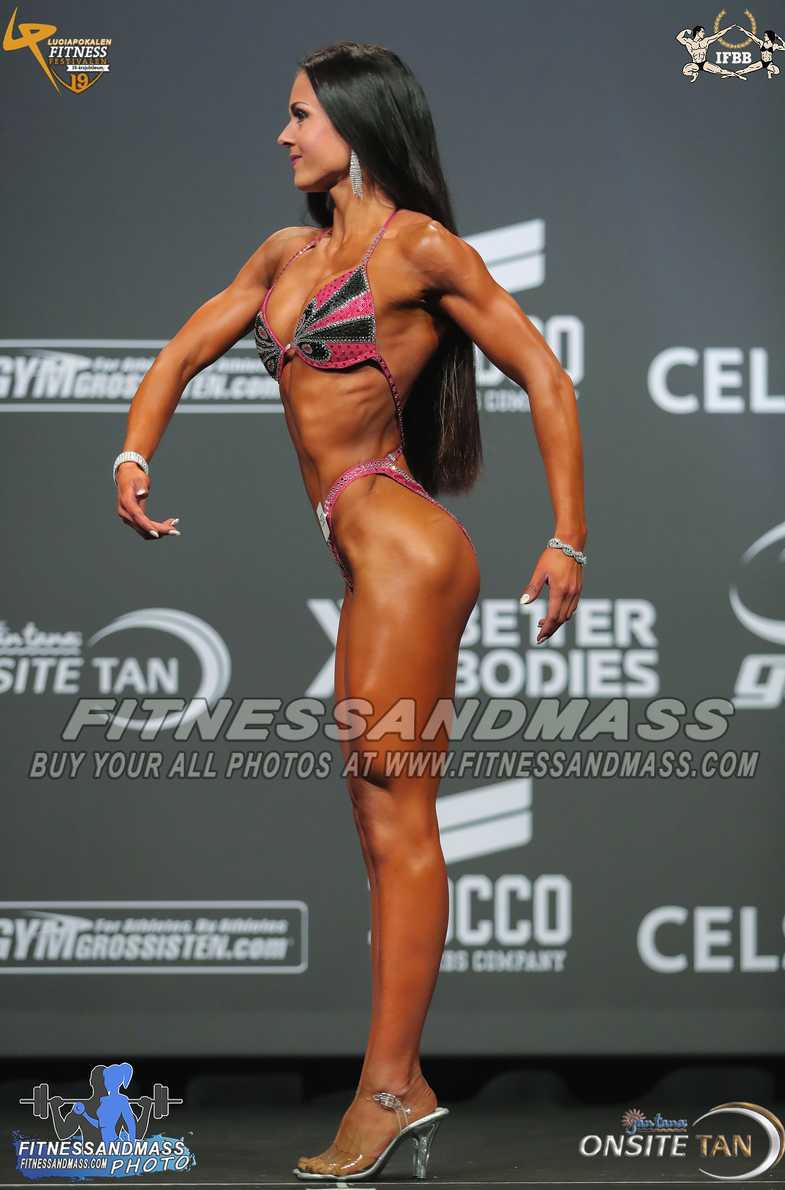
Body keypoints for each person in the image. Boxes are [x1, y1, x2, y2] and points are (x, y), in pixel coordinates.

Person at [112, 40, 587, 1182]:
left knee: (398, 818)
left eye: (301, 116)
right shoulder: (287, 253)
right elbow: (182, 350)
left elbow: (545, 373)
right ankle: (400, 1082)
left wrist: (566, 534)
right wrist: (132, 454)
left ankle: (385, 1090)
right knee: (378, 828)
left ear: (358, 127)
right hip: (370, 556)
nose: (283, 135)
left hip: (408, 553)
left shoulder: (417, 247)